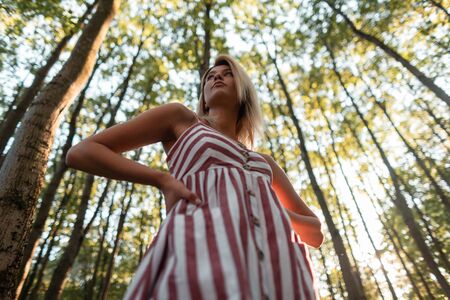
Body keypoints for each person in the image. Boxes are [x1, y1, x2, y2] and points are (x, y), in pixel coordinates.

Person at [66, 54, 323, 299]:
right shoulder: (182, 120)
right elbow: (82, 152)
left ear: (244, 91)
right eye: (210, 77)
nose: (216, 78)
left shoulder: (264, 162)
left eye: (227, 74)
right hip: (199, 244)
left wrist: (267, 206)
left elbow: (315, 233)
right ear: (204, 97)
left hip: (278, 263)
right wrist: (162, 180)